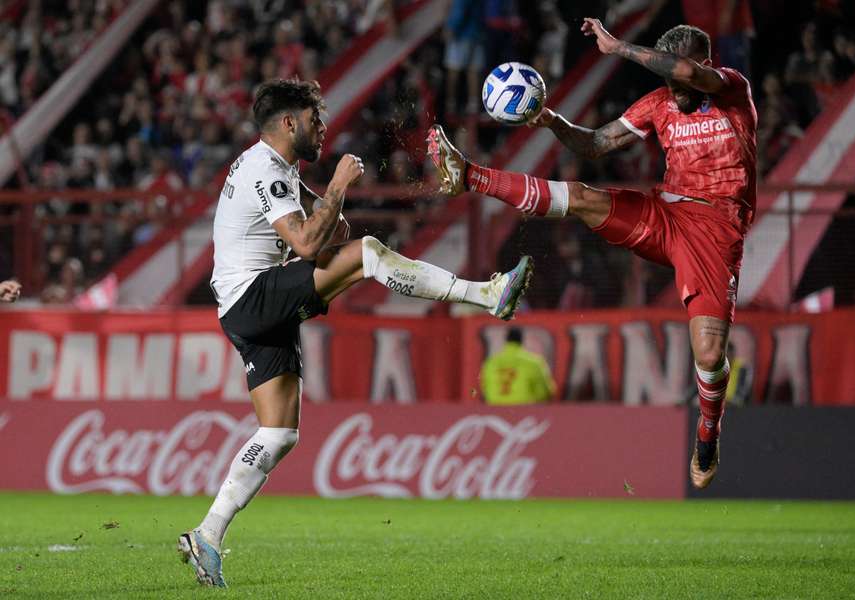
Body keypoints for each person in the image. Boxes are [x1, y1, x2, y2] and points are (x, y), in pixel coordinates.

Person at [178, 79, 534, 588]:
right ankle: (486, 295)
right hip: (253, 296)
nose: (322, 127)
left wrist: (329, 207)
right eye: (313, 119)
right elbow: (305, 244)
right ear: (288, 123)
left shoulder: (274, 167)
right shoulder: (263, 168)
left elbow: (327, 231)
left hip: (247, 306)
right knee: (369, 253)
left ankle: (207, 535)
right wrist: (340, 185)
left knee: (279, 433)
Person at [428, 19, 757, 490]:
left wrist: (617, 46)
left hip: (716, 229)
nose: (676, 84)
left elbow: (684, 68)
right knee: (581, 197)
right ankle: (471, 176)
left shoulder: (731, 90)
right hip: (667, 216)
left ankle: (709, 432)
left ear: (706, 65)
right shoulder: (659, 104)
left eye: (683, 74)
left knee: (707, 352)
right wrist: (554, 121)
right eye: (668, 79)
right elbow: (599, 143)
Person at [480, 327, 556, 404]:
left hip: (494, 410)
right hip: (524, 410)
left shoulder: (490, 363)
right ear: (522, 340)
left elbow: (484, 388)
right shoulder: (534, 363)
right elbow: (544, 393)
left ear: (506, 340)